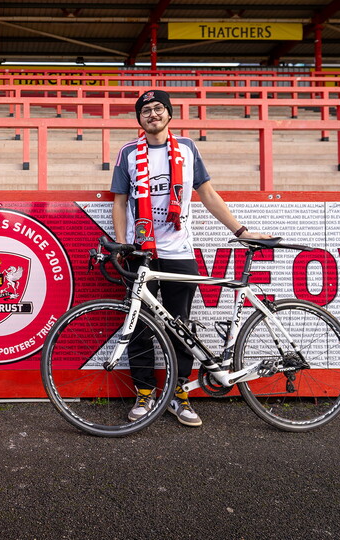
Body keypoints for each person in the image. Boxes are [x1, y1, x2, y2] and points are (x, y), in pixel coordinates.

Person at [110, 89, 270, 427]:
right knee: (139, 326)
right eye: (145, 111)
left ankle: (179, 394)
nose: (152, 115)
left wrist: (241, 231)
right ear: (139, 119)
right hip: (142, 252)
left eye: (158, 109)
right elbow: (120, 202)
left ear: (169, 113)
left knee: (181, 328)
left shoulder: (187, 148)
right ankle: (144, 393)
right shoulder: (127, 152)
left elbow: (208, 194)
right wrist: (123, 244)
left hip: (180, 252)